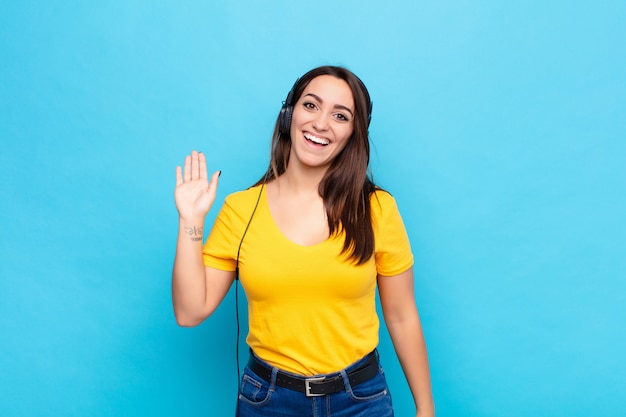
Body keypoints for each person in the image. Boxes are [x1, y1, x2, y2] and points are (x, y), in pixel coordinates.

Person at [172, 65, 434, 416]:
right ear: (288, 115)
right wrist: (191, 222)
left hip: (360, 400)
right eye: (311, 105)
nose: (321, 123)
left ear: (354, 133)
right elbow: (190, 312)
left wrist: (426, 408)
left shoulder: (377, 209)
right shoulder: (241, 209)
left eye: (340, 115)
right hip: (268, 401)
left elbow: (402, 315)